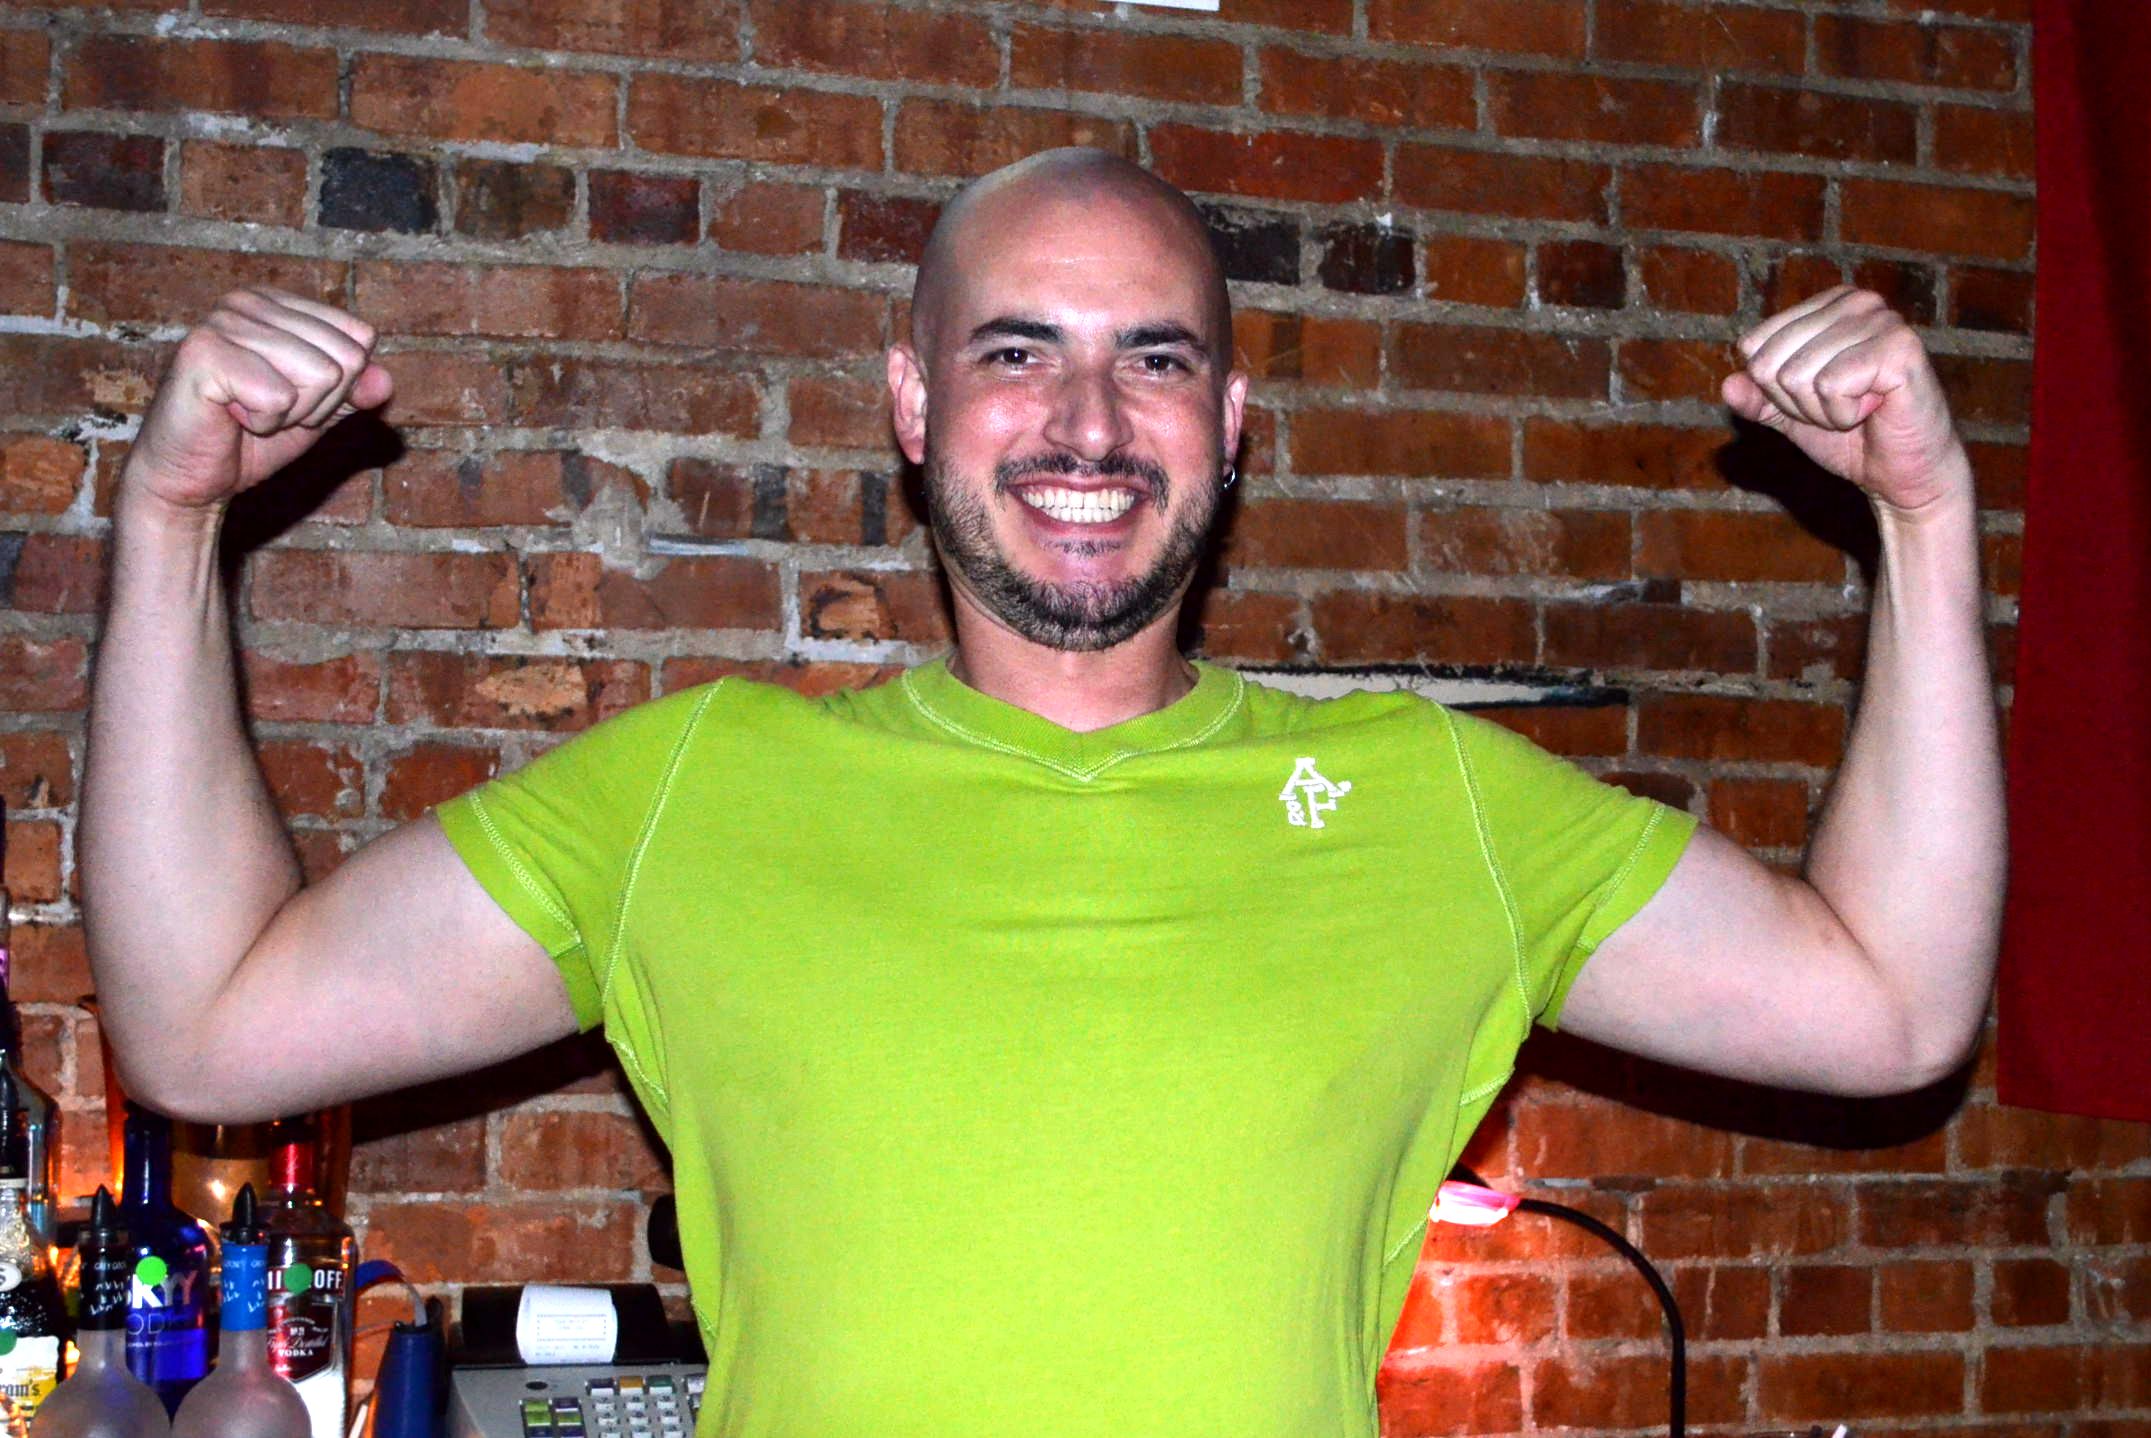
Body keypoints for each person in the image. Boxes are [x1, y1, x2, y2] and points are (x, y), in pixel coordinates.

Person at [80, 149, 2004, 1436]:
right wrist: (169, 523)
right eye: (1020, 353)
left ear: (1229, 428)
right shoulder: (701, 793)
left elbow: (1892, 1004)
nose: (1089, 423)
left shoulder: (1434, 807)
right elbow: (204, 1020)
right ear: (915, 401)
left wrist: (1925, 518)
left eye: (1154, 361)